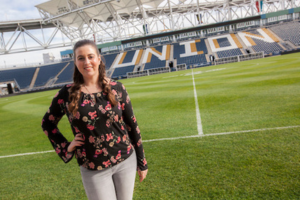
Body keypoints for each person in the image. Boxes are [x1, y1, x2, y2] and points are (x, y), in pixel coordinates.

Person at [41, 39, 148, 200]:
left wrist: (142, 161)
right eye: (81, 58)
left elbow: (132, 125)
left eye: (90, 56)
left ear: (99, 58)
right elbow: (47, 123)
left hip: (126, 160)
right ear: (75, 62)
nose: (87, 62)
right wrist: (66, 146)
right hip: (93, 168)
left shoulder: (117, 88)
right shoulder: (67, 94)